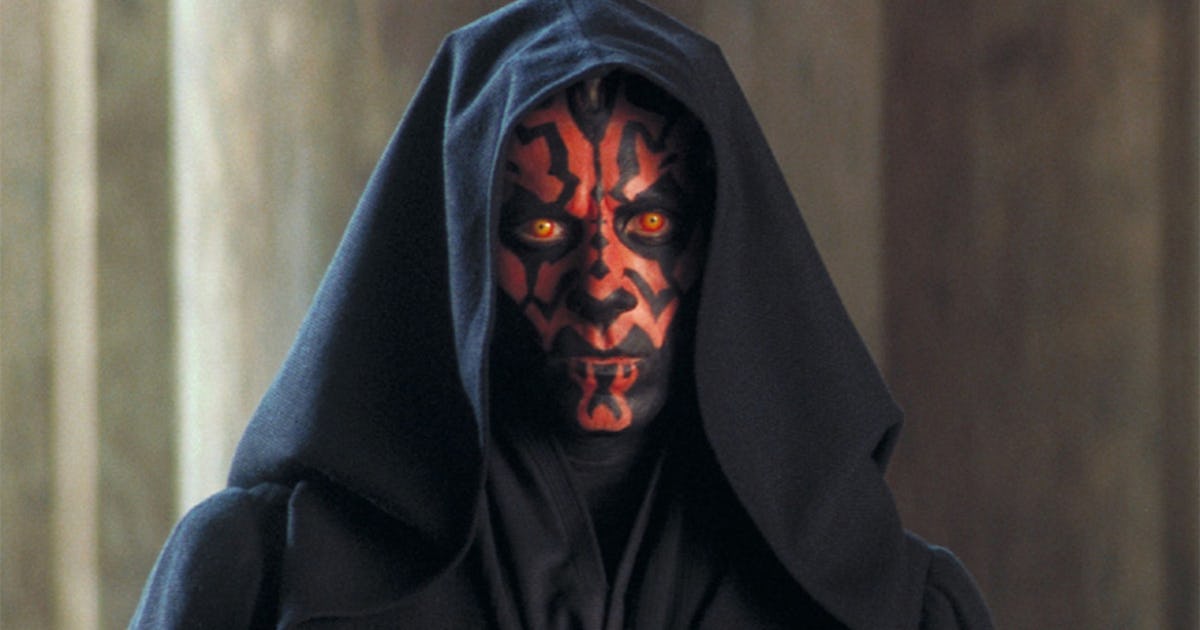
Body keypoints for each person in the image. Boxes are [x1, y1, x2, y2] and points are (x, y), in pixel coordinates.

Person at [132, 0, 993, 628]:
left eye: (648, 224)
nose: (602, 284)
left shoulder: (891, 605)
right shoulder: (257, 578)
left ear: (717, 243)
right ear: (468, 247)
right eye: (543, 227)